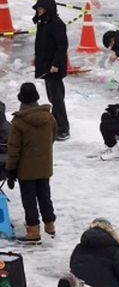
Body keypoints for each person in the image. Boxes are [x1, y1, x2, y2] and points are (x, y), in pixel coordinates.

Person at [6, 82, 57, 243]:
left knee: (29, 200)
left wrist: (10, 170)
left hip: (26, 169)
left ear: (21, 99)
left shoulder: (19, 122)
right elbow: (53, 137)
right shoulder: (49, 117)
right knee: (44, 195)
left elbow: (14, 149)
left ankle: (33, 231)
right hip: (44, 166)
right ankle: (50, 226)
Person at [31, 0, 69, 141]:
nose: (39, 11)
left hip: (53, 67)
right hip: (46, 64)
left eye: (41, 9)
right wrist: (37, 57)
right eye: (38, 9)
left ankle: (63, 127)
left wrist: (56, 64)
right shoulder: (43, 23)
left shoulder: (57, 24)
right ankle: (56, 123)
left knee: (57, 98)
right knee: (53, 96)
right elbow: (40, 44)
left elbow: (62, 46)